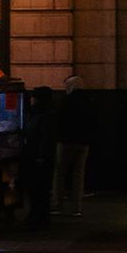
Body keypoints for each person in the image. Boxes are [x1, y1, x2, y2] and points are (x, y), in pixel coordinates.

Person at [52, 74, 93, 217]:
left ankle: (57, 205)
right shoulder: (89, 101)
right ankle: (77, 208)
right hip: (83, 142)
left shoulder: (66, 100)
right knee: (78, 175)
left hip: (66, 141)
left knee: (60, 173)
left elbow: (59, 120)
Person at [22, 86, 54, 230]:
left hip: (39, 157)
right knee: (36, 189)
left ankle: (39, 218)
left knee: (38, 189)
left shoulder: (44, 115)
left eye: (33, 97)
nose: (31, 99)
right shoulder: (37, 113)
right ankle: (38, 216)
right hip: (34, 155)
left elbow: (47, 138)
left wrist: (41, 155)